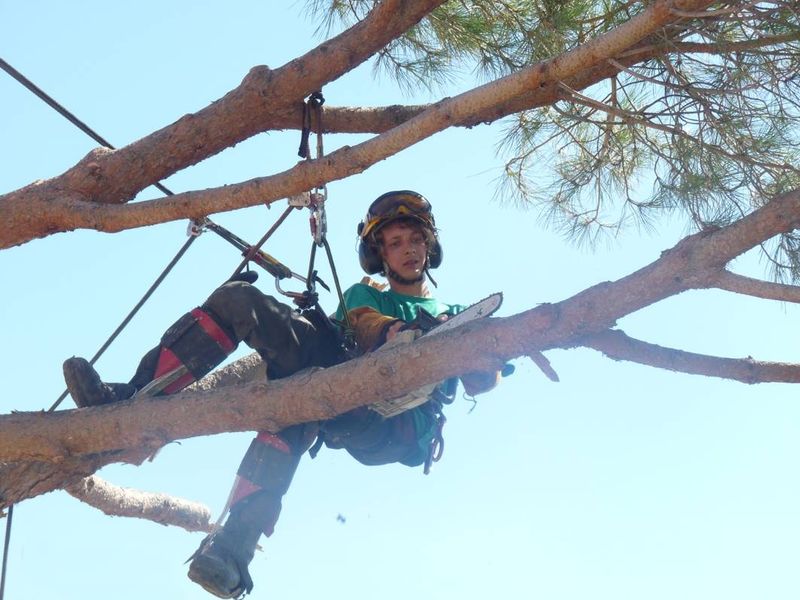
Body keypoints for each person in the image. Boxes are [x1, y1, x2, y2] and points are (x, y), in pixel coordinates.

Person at [62, 190, 501, 599]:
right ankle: (133, 402)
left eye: (415, 240)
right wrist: (393, 332)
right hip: (346, 385)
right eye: (395, 242)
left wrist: (476, 359)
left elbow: (486, 377)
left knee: (309, 407)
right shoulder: (362, 297)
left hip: (396, 426)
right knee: (249, 316)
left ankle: (236, 544)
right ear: (380, 254)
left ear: (429, 246)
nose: (408, 249)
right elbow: (361, 322)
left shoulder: (454, 314)